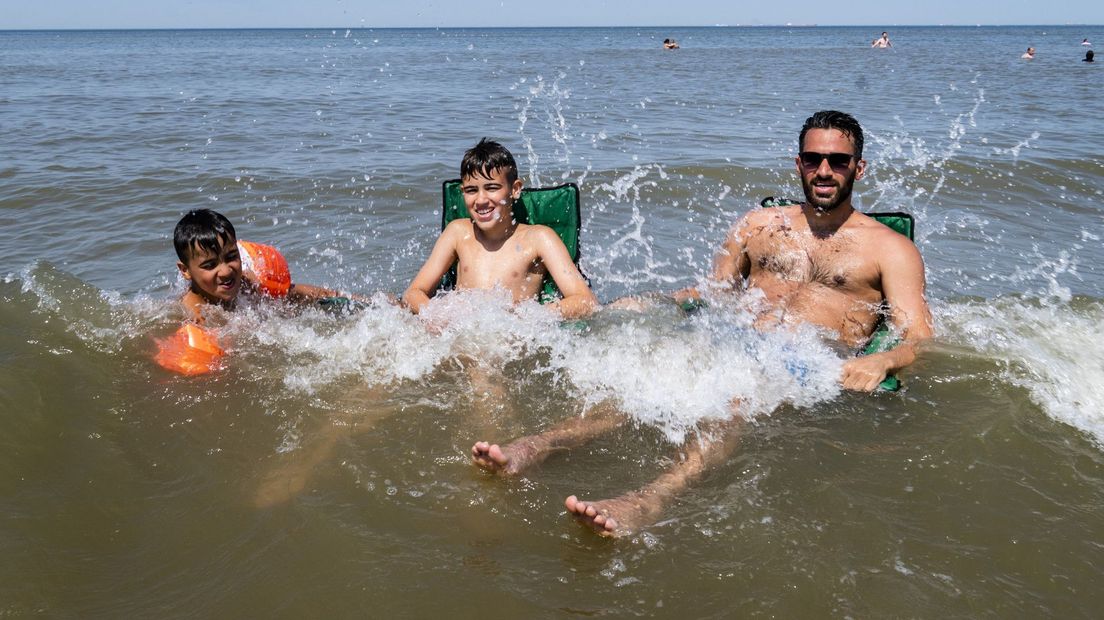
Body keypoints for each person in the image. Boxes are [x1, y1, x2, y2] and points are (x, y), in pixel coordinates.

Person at [472, 111, 934, 536]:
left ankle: (649, 500)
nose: (825, 170)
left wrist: (884, 360)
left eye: (838, 160)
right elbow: (709, 292)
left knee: (730, 399)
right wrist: (650, 303)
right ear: (798, 163)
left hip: (806, 361)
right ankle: (536, 446)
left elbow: (918, 335)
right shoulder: (758, 224)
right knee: (643, 378)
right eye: (814, 159)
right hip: (733, 337)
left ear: (859, 167)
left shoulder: (889, 248)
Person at [402, 138, 597, 319]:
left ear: (515, 189)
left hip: (511, 335)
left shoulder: (539, 238)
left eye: (492, 188)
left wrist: (528, 317)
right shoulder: (457, 233)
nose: (481, 200)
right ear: (462, 192)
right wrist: (436, 315)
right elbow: (413, 293)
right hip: (461, 329)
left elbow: (585, 301)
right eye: (471, 190)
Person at [173, 208, 348, 321]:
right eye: (210, 265)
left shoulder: (246, 282)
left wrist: (348, 299)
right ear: (185, 271)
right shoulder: (194, 316)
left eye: (231, 256)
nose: (226, 271)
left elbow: (294, 294)